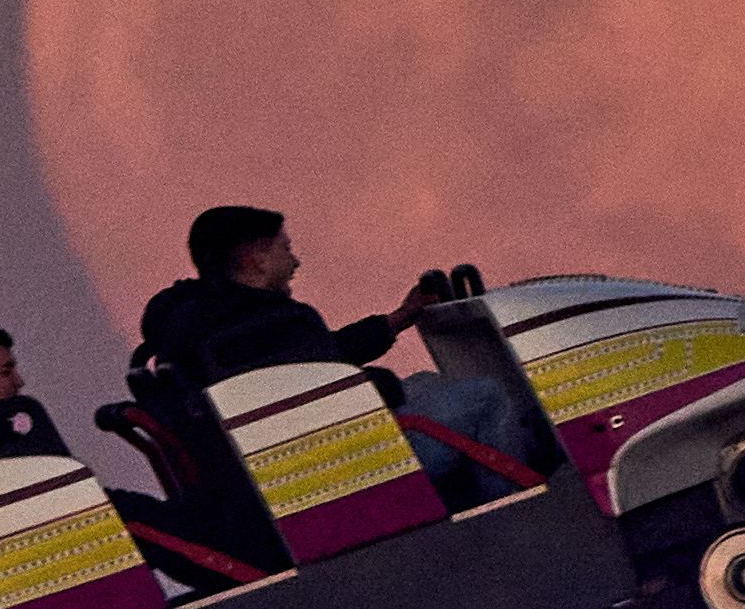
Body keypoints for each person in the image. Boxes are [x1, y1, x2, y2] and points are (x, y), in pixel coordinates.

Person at [136, 206, 543, 506]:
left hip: (281, 467)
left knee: (426, 383)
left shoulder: (213, 327)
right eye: (284, 248)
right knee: (486, 397)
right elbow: (340, 379)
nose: (295, 261)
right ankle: (519, 517)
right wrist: (382, 381)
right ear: (253, 258)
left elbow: (317, 360)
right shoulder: (271, 322)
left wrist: (396, 320)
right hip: (345, 470)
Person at [0, 327, 248, 592]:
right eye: (6, 371)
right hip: (54, 528)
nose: (19, 381)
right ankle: (240, 573)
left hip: (71, 512)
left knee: (167, 511)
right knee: (140, 522)